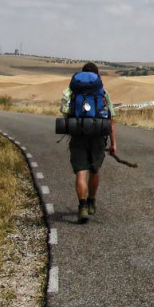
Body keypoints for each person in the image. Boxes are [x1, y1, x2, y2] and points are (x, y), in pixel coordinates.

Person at [60, 62, 116, 223]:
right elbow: (111, 120)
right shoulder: (103, 92)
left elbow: (64, 111)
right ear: (97, 76)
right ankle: (91, 201)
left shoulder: (70, 91)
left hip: (78, 134)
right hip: (98, 134)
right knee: (94, 170)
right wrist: (113, 143)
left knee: (81, 171)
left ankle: (82, 206)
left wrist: (73, 125)